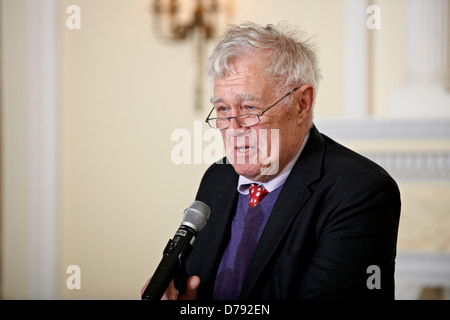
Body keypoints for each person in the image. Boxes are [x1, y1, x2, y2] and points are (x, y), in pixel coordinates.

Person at [149, 22, 401, 300]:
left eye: (249, 108)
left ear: (301, 104)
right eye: (222, 109)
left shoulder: (361, 190)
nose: (232, 128)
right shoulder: (217, 178)